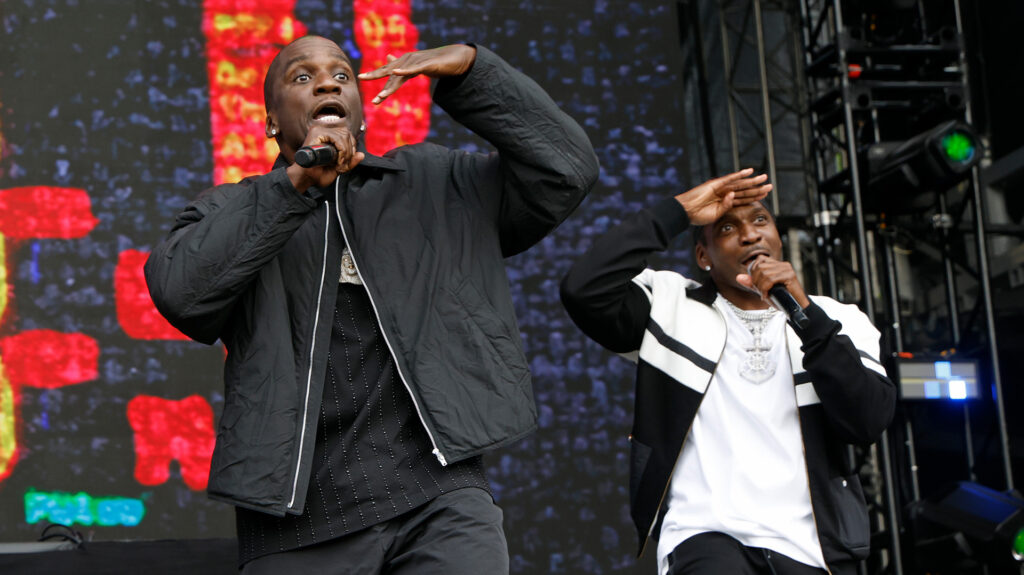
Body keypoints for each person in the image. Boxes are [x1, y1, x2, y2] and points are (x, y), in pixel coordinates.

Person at [145, 35, 598, 574]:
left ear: (359, 110)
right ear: (270, 122)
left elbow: (566, 169)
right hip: (296, 522)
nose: (328, 81)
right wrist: (295, 187)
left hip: (438, 496)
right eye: (302, 76)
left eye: (342, 74)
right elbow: (180, 292)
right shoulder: (231, 208)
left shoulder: (433, 183)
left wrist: (474, 74)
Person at [559, 169, 896, 575]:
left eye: (760, 221)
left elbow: (868, 421)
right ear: (703, 257)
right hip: (704, 536)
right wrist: (678, 212)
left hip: (810, 549)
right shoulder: (670, 306)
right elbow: (583, 288)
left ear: (777, 238)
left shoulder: (840, 319)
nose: (751, 235)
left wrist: (808, 318)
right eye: (727, 227)